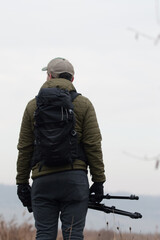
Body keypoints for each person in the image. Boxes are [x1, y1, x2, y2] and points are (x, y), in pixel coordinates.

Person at [16, 57, 106, 240]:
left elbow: (25, 148)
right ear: (72, 79)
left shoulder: (32, 106)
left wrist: (22, 184)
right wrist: (98, 181)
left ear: (49, 76)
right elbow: (93, 144)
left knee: (44, 234)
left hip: (43, 181)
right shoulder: (84, 104)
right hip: (74, 181)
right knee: (73, 235)